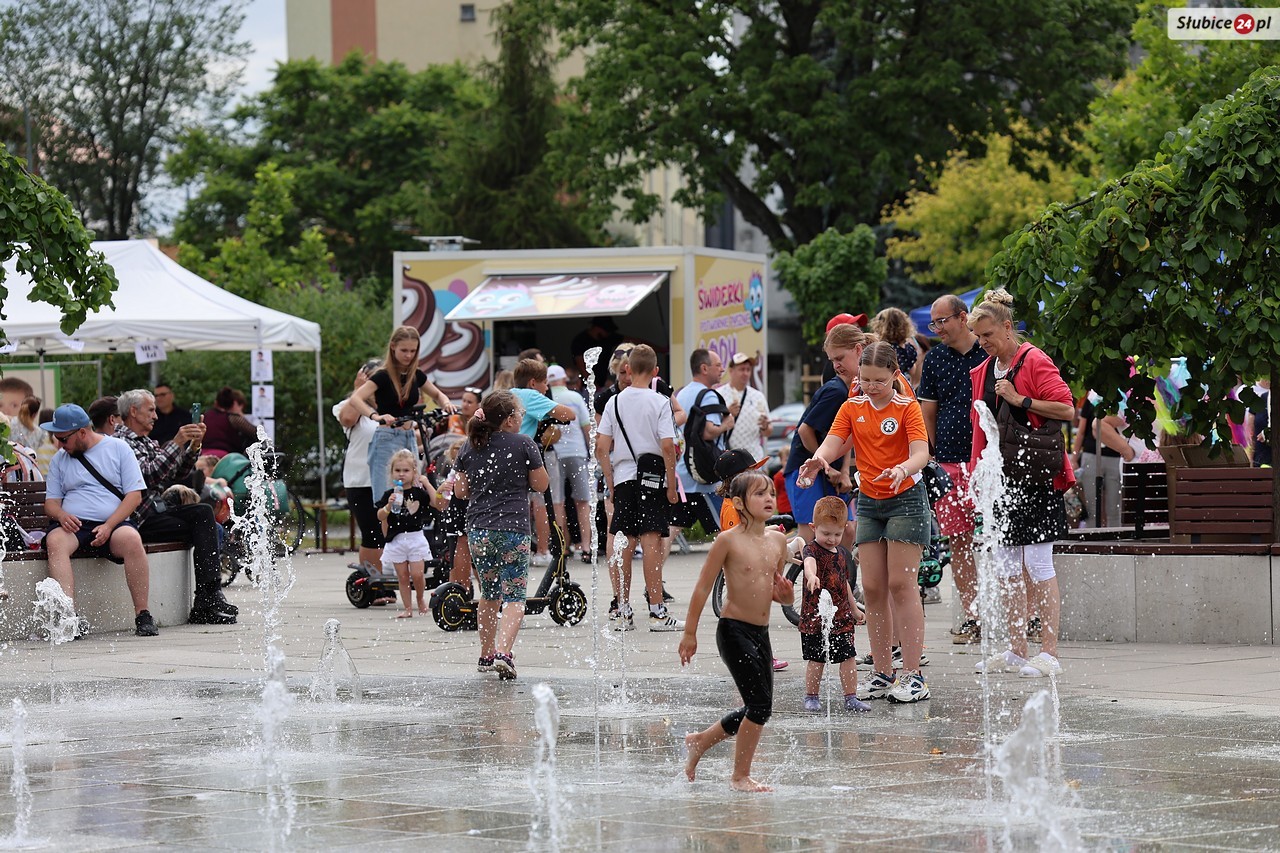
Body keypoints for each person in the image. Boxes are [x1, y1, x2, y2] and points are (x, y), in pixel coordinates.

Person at [798, 341, 933, 704]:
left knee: (902, 584)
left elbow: (921, 453)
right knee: (872, 587)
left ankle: (913, 675)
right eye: (865, 379)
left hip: (906, 499)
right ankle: (883, 672)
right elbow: (833, 442)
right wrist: (818, 460)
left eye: (878, 380)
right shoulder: (852, 406)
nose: (870, 386)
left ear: (895, 375)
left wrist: (903, 468)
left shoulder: (907, 407)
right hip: (871, 501)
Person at [967, 288, 1075, 679]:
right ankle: (1016, 649)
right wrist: (977, 476)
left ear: (1008, 327)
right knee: (1007, 565)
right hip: (1001, 478)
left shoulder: (1034, 360)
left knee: (1038, 563)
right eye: (979, 337)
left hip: (1037, 475)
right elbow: (981, 430)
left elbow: (1066, 408)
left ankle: (1049, 652)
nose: (983, 342)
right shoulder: (983, 370)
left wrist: (1020, 400)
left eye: (988, 335)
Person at [679, 469, 792, 792]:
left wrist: (786, 596)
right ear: (739, 503)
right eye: (760, 494)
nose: (769, 498)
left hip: (761, 632)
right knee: (759, 707)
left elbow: (775, 590)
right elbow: (702, 588)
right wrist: (690, 633)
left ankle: (701, 741)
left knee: (759, 707)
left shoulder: (777, 540)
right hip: (733, 631)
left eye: (771, 493)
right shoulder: (727, 541)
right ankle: (739, 776)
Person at [115, 388, 238, 625]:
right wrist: (176, 442)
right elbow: (149, 475)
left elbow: (176, 474)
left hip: (153, 511)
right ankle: (207, 600)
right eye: (150, 410)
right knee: (203, 516)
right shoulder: (121, 442)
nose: (155, 416)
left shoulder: (143, 441)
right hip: (136, 518)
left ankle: (208, 598)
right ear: (133, 411)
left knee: (206, 519)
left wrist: (193, 447)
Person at [454, 391, 549, 680]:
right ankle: (503, 653)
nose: (522, 418)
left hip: (479, 531)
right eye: (520, 414)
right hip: (513, 530)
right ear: (509, 420)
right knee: (515, 596)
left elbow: (461, 491)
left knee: (489, 593)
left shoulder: (470, 445)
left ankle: (485, 654)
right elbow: (541, 485)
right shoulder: (524, 443)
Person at [41, 404, 159, 637]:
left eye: (63, 439)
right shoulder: (59, 459)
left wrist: (109, 525)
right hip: (75, 525)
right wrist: (62, 515)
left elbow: (134, 496)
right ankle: (68, 616)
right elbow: (51, 503)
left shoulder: (118, 448)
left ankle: (143, 614)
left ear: (82, 433)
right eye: (56, 439)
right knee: (55, 541)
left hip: (113, 524)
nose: (59, 445)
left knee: (132, 539)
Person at [917, 294, 988, 644]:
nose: (938, 329)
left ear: (963, 317)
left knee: (997, 539)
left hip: (987, 461)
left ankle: (1010, 614)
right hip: (948, 462)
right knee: (959, 540)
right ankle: (973, 616)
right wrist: (932, 452)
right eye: (934, 323)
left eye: (942, 321)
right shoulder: (935, 359)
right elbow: (928, 411)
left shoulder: (988, 351)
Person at [596, 344, 681, 631]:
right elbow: (668, 446)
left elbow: (601, 447)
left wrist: (610, 482)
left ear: (628, 369)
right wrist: (671, 485)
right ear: (656, 371)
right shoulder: (660, 402)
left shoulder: (613, 402)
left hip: (623, 479)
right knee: (651, 542)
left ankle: (622, 610)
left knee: (624, 543)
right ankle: (657, 611)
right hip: (653, 480)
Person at [783, 323, 870, 544]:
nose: (835, 365)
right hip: (805, 467)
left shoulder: (855, 389)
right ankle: (773, 557)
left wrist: (843, 471)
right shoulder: (835, 392)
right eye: (832, 360)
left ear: (858, 350)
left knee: (847, 530)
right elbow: (805, 431)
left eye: (839, 358)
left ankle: (839, 570)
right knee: (810, 534)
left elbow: (847, 436)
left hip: (828, 468)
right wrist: (826, 467)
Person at [345, 325, 456, 500]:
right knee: (385, 496)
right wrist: (376, 416)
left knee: (413, 492)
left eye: (413, 351)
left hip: (408, 436)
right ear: (393, 347)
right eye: (404, 350)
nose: (408, 355)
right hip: (387, 437)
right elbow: (356, 398)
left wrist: (446, 403)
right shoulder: (383, 375)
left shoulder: (415, 375)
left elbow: (437, 394)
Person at [715, 448, 789, 672]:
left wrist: (769, 531)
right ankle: (753, 657)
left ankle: (761, 656)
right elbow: (738, 539)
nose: (759, 475)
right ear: (738, 479)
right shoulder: (732, 509)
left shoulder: (740, 505)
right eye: (753, 471)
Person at [799, 495, 869, 712]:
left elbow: (844, 583)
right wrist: (811, 575)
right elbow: (809, 563)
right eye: (826, 533)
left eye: (837, 534)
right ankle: (811, 696)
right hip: (816, 617)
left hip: (841, 616)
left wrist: (855, 609)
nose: (832, 539)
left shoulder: (841, 554)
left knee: (848, 656)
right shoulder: (811, 550)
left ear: (844, 529)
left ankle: (851, 697)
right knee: (817, 658)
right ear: (813, 528)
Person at [511, 358, 577, 567]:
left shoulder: (508, 394)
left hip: (503, 457)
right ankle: (542, 551)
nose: (547, 388)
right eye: (545, 383)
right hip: (519, 459)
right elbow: (569, 414)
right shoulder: (530, 396)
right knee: (541, 500)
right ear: (533, 383)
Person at [375, 448, 445, 619]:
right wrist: (388, 506)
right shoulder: (389, 494)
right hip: (396, 540)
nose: (401, 474)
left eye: (406, 470)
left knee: (417, 574)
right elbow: (380, 516)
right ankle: (407, 608)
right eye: (397, 470)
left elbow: (436, 503)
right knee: (403, 576)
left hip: (415, 538)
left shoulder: (419, 493)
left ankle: (420, 598)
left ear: (414, 472)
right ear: (392, 473)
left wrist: (426, 482)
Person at [673, 348, 733, 533]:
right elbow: (708, 432)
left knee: (671, 529)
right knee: (727, 529)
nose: (722, 369)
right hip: (705, 478)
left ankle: (654, 554)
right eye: (718, 365)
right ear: (704, 368)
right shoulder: (708, 395)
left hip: (683, 474)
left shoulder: (682, 394)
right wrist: (726, 424)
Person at [336, 360, 386, 575]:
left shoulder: (390, 406)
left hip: (389, 480)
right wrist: (359, 390)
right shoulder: (351, 406)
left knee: (390, 533)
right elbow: (347, 418)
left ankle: (388, 579)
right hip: (361, 481)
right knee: (372, 533)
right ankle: (373, 582)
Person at [546, 365, 595, 563]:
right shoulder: (575, 397)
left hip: (554, 454)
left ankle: (563, 546)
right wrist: (593, 452)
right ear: (564, 379)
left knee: (557, 501)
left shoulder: (546, 398)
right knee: (582, 500)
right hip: (576, 452)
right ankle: (586, 547)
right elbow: (586, 427)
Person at [718, 352, 771, 460]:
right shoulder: (719, 394)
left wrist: (765, 426)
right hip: (728, 458)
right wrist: (727, 414)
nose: (745, 373)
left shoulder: (758, 396)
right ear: (731, 371)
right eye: (741, 369)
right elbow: (711, 427)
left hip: (753, 458)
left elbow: (768, 432)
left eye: (748, 370)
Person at [871, 307, 923, 388]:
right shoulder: (908, 349)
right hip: (901, 388)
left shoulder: (878, 349)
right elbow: (912, 372)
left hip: (880, 387)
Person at [201, 387, 257, 457]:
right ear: (233, 403)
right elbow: (256, 432)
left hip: (202, 454)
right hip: (225, 456)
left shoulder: (205, 416)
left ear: (216, 402)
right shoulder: (233, 418)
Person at [573, 316, 625, 389]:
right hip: (587, 385)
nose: (608, 333)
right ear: (597, 328)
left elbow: (631, 340)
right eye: (607, 330)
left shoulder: (608, 338)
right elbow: (581, 366)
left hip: (604, 381)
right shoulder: (580, 341)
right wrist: (593, 385)